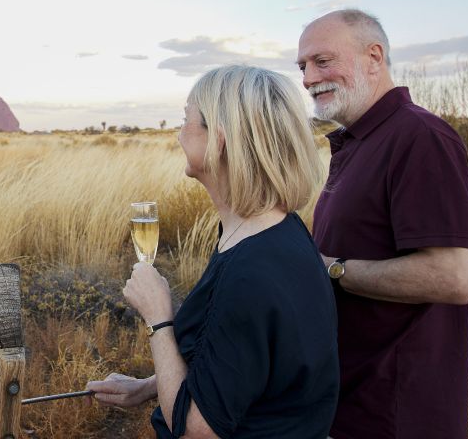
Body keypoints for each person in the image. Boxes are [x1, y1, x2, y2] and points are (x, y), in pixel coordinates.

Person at [87, 65, 339, 438]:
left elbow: (195, 430)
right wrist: (148, 386)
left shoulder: (249, 271)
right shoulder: (276, 232)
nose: (177, 135)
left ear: (220, 140)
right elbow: (238, 365)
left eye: (186, 119)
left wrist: (159, 320)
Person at [295, 9, 468, 439]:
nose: (307, 78)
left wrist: (332, 269)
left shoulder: (419, 136)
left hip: (399, 414)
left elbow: (454, 277)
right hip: (354, 402)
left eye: (322, 61)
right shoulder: (362, 141)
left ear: (374, 57)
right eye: (302, 66)